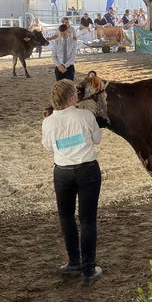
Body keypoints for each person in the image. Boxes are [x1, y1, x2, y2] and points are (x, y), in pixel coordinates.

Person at [41, 79, 103, 286]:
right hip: (87, 170)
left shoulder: (48, 121)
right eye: (75, 93)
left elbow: (48, 146)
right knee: (87, 220)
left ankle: (73, 261)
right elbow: (97, 139)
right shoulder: (85, 116)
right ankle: (88, 268)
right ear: (71, 98)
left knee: (66, 217)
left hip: (62, 172)